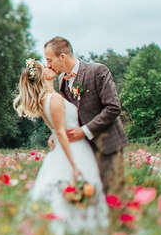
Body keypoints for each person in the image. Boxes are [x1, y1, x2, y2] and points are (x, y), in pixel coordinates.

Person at [13, 58, 108, 234]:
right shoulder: (53, 99)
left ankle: (72, 230)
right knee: (74, 190)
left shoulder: (47, 99)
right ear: (43, 76)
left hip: (70, 148)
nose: (49, 66)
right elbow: (61, 133)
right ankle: (77, 231)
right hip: (73, 150)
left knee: (70, 194)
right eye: (45, 66)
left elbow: (58, 126)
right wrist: (73, 165)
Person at [43, 36, 128, 197]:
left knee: (114, 194)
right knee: (91, 196)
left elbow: (113, 107)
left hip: (107, 145)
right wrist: (56, 133)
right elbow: (66, 113)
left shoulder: (97, 71)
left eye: (49, 60)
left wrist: (85, 131)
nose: (48, 65)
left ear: (62, 57)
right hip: (83, 151)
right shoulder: (61, 80)